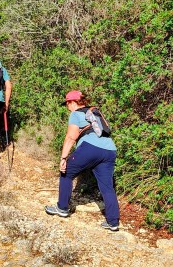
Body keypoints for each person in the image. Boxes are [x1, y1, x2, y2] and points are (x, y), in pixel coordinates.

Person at [44, 91, 120, 232]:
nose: (66, 107)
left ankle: (62, 208)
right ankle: (113, 222)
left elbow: (71, 137)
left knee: (66, 172)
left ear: (72, 102)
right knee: (107, 187)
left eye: (66, 104)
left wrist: (63, 158)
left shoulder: (76, 114)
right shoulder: (95, 112)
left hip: (90, 148)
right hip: (110, 150)